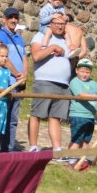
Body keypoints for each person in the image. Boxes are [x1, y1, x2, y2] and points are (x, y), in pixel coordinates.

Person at [27, 13, 72, 155]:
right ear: (49, 24)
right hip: (45, 82)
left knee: (55, 117)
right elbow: (36, 56)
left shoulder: (65, 39)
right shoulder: (41, 36)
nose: (60, 26)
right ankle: (33, 146)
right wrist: (52, 47)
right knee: (37, 114)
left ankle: (57, 149)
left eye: (62, 24)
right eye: (57, 23)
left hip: (63, 84)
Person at [0, 7, 29, 152]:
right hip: (6, 83)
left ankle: (9, 146)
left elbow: (25, 58)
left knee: (13, 118)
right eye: (10, 17)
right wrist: (16, 74)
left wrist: (24, 75)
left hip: (18, 83)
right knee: (2, 116)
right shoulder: (0, 36)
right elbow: (2, 58)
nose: (13, 20)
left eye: (16, 18)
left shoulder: (19, 37)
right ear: (4, 19)